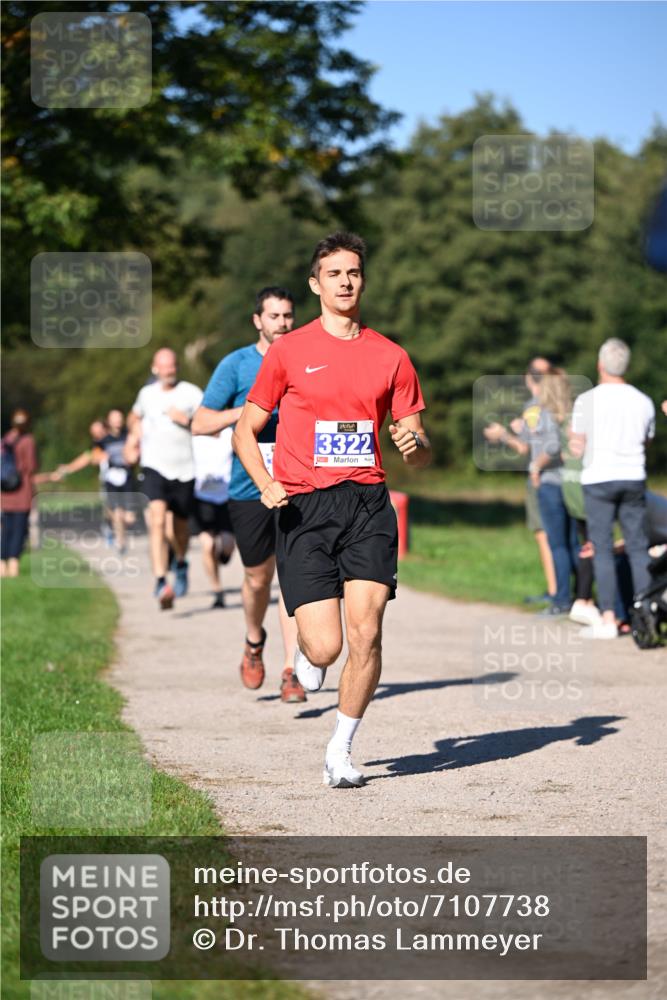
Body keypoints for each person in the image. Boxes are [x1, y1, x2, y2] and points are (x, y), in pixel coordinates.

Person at [233, 232, 431, 788]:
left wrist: (416, 447)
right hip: (304, 507)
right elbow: (245, 433)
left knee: (366, 634)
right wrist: (265, 483)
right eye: (335, 274)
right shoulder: (288, 352)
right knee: (324, 646)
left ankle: (340, 749)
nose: (346, 282)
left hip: (368, 502)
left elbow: (415, 440)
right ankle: (309, 657)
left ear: (362, 280)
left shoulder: (391, 356)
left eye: (354, 273)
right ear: (316, 284)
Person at [192, 287, 306, 703]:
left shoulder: (306, 358)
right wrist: (251, 410)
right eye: (274, 316)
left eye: (288, 316)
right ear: (257, 320)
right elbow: (200, 422)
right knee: (259, 578)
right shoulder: (236, 364)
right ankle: (254, 641)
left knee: (294, 579)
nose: (282, 323)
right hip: (248, 487)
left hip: (299, 486)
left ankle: (291, 670)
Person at [570, 338, 656, 639]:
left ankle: (608, 617)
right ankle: (647, 612)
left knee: (603, 548)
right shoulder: (643, 401)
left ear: (599, 365)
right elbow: (646, 442)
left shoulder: (586, 401)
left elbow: (577, 446)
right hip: (633, 476)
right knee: (636, 546)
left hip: (598, 479)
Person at [485, 367, 578, 614]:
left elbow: (547, 446)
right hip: (571, 481)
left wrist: (535, 466)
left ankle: (560, 598)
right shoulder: (571, 410)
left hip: (548, 481)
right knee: (574, 543)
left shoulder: (538, 408)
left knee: (555, 543)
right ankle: (580, 597)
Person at [128, 348, 203, 609]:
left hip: (184, 469)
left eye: (171, 366)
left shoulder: (191, 393)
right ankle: (161, 579)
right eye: (163, 366)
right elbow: (134, 416)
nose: (167, 371)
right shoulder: (146, 394)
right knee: (157, 521)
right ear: (154, 368)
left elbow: (207, 423)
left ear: (177, 367)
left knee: (180, 530)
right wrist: (133, 437)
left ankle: (180, 562)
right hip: (154, 467)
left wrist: (185, 420)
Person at [1, 409, 58, 576]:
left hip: (4, 492)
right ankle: (13, 565)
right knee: (19, 529)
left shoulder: (5, 440)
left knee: (5, 530)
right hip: (22, 492)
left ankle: (1, 566)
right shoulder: (28, 441)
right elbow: (31, 467)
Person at [191, 427, 235, 608]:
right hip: (201, 499)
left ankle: (222, 556)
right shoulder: (194, 438)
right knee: (208, 546)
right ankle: (218, 591)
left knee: (227, 546)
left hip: (226, 498)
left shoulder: (230, 434)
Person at [92, 409, 137, 554]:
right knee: (117, 513)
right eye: (114, 418)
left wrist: (133, 456)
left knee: (129, 518)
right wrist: (100, 457)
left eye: (119, 417)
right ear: (109, 421)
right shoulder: (103, 441)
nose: (117, 421)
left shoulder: (128, 436)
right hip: (111, 479)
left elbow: (137, 452)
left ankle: (122, 532)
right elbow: (94, 457)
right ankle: (121, 542)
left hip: (128, 478)